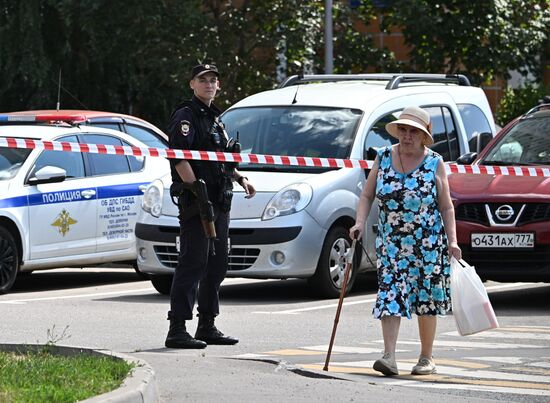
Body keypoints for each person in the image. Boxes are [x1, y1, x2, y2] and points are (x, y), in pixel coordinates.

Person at [349, 106, 461, 375]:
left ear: (424, 136)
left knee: (426, 299)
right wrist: (360, 222)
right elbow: (367, 195)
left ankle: (426, 357)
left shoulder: (435, 162)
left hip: (428, 244)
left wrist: (453, 241)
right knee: (390, 294)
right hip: (391, 244)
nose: (407, 136)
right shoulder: (384, 157)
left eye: (414, 131)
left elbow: (446, 206)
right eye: (403, 130)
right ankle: (389, 356)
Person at [165, 63, 256, 349]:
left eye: (213, 80)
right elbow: (179, 158)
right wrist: (196, 191)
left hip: (220, 199)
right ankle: (177, 328)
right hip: (197, 202)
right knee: (193, 262)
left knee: (217, 264)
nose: (209, 84)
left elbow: (223, 159)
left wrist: (240, 178)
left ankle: (207, 324)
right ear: (192, 84)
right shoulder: (186, 116)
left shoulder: (217, 119)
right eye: (203, 80)